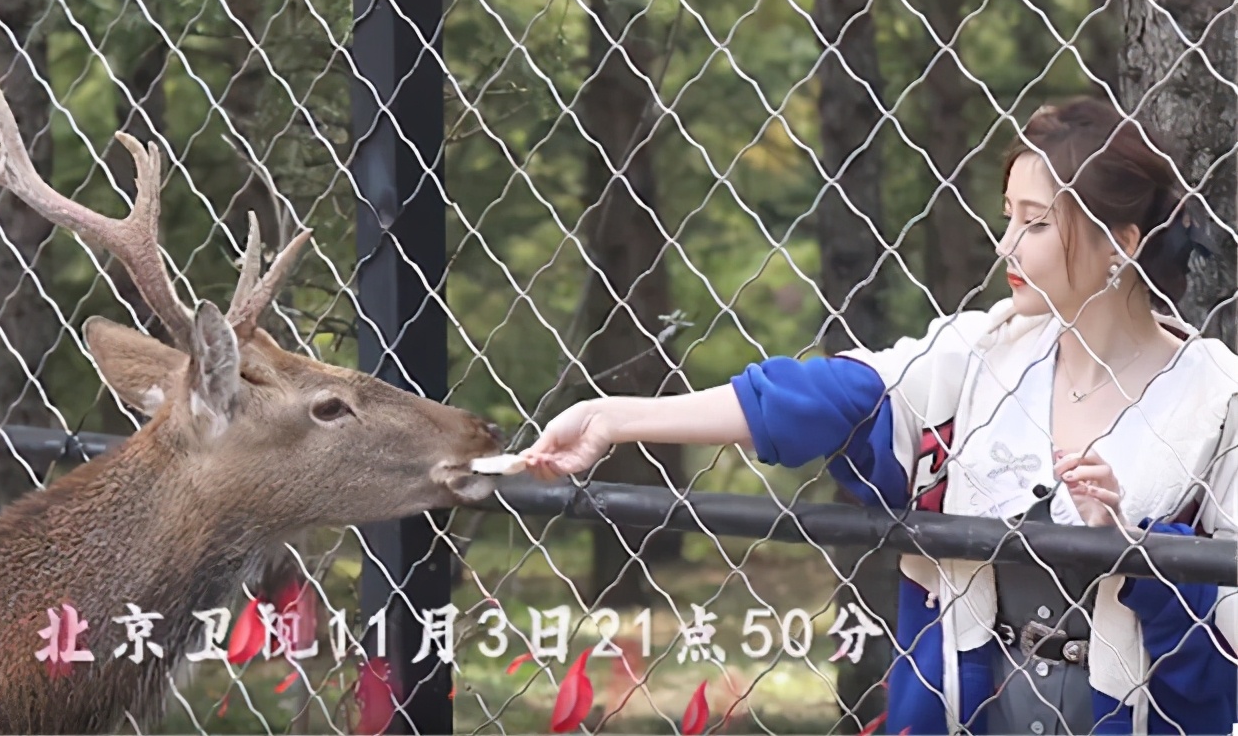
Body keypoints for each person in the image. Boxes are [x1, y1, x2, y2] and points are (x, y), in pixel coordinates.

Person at [517, 99, 1238, 735]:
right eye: (1007, 218)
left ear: (1123, 243)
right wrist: (613, 418)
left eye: (1036, 223)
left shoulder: (1217, 402)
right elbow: (819, 397)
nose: (1006, 246)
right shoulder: (978, 357)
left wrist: (1138, 553)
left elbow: (1226, 659)